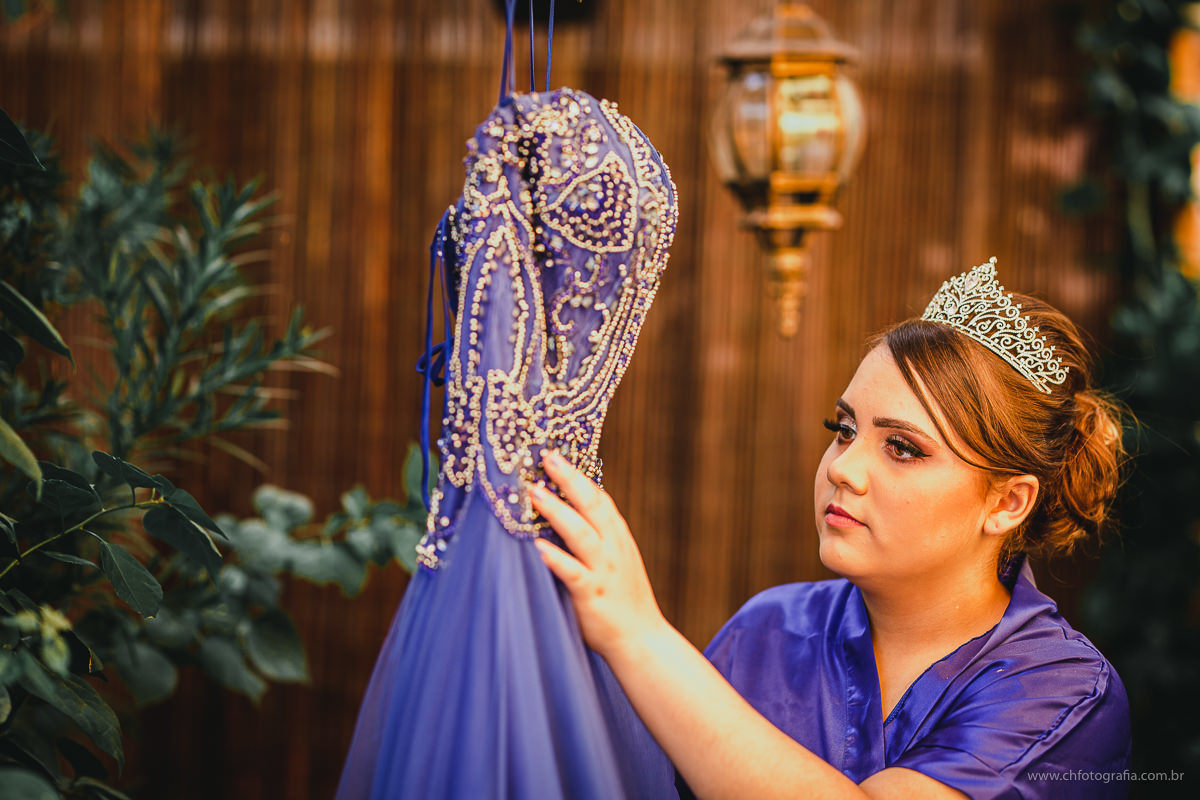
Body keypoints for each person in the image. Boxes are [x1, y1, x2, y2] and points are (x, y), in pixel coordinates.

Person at [528, 259, 1132, 799]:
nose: (842, 469)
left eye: (901, 447)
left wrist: (638, 635)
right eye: (844, 429)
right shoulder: (768, 629)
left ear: (1006, 502)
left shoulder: (1063, 690)